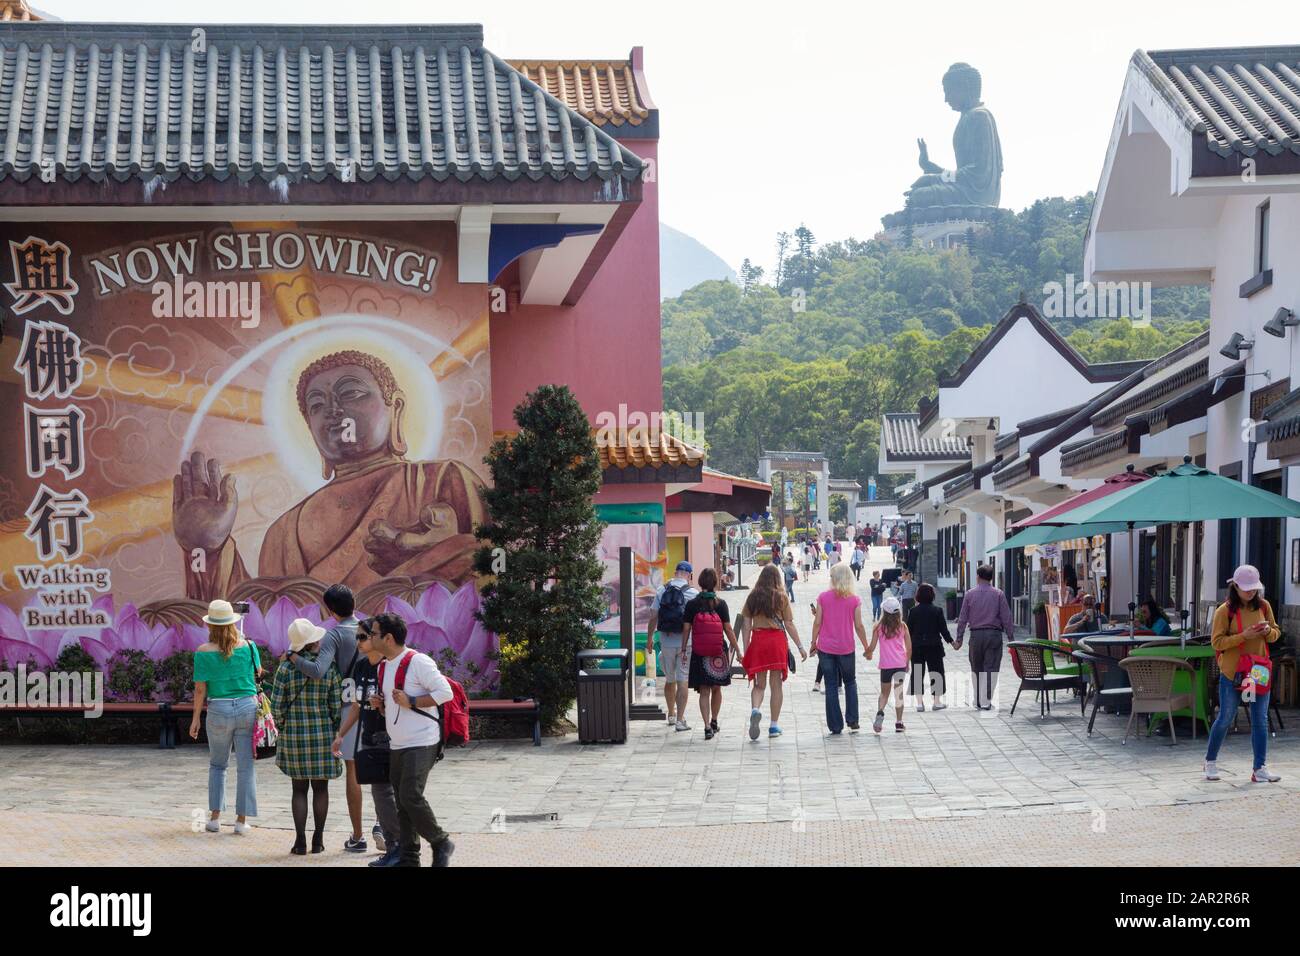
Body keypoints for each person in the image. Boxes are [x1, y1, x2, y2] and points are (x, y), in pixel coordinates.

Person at [369, 612, 457, 867]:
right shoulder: (384, 665)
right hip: (398, 742)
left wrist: (412, 701)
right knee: (402, 803)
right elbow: (395, 706)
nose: (370, 637)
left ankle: (441, 842)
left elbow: (445, 693)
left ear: (388, 637)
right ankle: (409, 858)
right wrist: (382, 705)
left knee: (410, 796)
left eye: (373, 633)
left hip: (422, 740)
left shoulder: (418, 661)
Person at [286, 583, 366, 852]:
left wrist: (293, 657)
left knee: (353, 769)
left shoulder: (334, 635)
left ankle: (358, 835)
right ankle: (384, 825)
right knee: (383, 769)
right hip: (378, 704)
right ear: (354, 602)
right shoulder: (370, 628)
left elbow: (319, 670)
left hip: (348, 705)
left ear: (331, 611)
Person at [332, 619, 403, 867]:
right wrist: (341, 734)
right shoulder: (361, 667)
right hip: (369, 739)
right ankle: (395, 847)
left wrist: (382, 707)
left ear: (376, 639)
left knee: (386, 794)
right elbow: (356, 706)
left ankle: (399, 847)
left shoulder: (389, 667)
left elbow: (400, 705)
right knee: (381, 794)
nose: (359, 642)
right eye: (358, 638)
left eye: (363, 637)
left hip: (392, 739)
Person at [271, 618, 343, 855]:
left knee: (298, 790)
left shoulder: (285, 669)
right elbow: (336, 706)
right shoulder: (329, 669)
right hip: (323, 735)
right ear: (313, 642)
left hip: (294, 735)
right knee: (321, 789)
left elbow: (277, 707)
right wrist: (335, 730)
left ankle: (300, 841)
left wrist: (284, 726)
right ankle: (318, 839)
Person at [1204, 566, 1282, 784]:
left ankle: (1260, 768)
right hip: (1233, 672)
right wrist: (1242, 636)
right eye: (1246, 589)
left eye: (1253, 589)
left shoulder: (1264, 606)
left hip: (1257, 672)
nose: (1250, 593)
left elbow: (1276, 633)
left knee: (1260, 720)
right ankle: (1210, 761)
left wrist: (1268, 632)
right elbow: (1217, 642)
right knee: (1226, 717)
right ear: (1235, 587)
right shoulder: (1224, 611)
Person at [190, 599, 260, 835]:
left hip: (218, 710)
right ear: (233, 622)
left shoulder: (202, 653)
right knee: (245, 766)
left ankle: (215, 818)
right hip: (247, 708)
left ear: (210, 625)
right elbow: (257, 674)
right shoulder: (249, 647)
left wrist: (195, 718)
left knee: (218, 764)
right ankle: (241, 822)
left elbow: (200, 689)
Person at [738, 563, 807, 739]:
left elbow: (746, 625)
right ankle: (774, 726)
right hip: (776, 642)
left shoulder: (752, 597)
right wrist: (800, 647)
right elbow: (789, 624)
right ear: (778, 578)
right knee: (776, 685)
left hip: (759, 641)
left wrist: (747, 650)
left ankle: (755, 709)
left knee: (759, 684)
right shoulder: (782, 597)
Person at [811, 564, 871, 734]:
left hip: (826, 648)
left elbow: (817, 622)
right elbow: (858, 626)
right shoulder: (854, 600)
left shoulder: (823, 597)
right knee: (850, 683)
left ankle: (835, 726)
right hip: (846, 648)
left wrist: (813, 642)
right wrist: (867, 646)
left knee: (830, 685)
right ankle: (852, 720)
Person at [683, 569, 741, 740]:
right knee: (716, 688)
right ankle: (715, 720)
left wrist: (682, 649)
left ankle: (707, 726)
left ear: (700, 582)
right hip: (717, 651)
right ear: (716, 582)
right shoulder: (720, 604)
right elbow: (728, 629)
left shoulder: (692, 604)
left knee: (704, 691)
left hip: (700, 651)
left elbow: (686, 628)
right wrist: (737, 649)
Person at [646, 561, 699, 731]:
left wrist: (649, 639)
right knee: (683, 679)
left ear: (675, 573)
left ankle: (671, 714)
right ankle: (680, 720)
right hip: (686, 643)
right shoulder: (693, 593)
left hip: (666, 641)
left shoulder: (662, 590)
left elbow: (653, 616)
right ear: (689, 576)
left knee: (670, 679)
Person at [954, 565, 1014, 710]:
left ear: (978, 577)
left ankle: (978, 699)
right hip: (993, 635)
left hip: (975, 635)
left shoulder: (969, 594)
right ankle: (986, 700)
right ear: (991, 578)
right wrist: (1011, 637)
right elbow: (1006, 617)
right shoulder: (998, 594)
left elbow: (962, 617)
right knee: (991, 667)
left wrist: (959, 637)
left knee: (976, 667)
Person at [906, 584, 953, 711]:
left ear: (918, 595)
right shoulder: (937, 610)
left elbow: (908, 631)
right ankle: (936, 702)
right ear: (932, 595)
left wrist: (906, 647)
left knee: (917, 673)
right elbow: (943, 630)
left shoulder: (913, 611)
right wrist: (952, 642)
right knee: (936, 672)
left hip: (917, 646)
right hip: (934, 646)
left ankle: (920, 704)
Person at [868, 596, 912, 733]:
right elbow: (909, 647)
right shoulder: (903, 626)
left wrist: (867, 653)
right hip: (899, 663)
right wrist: (907, 662)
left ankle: (880, 711)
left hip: (886, 665)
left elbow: (872, 647)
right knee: (898, 693)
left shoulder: (878, 627)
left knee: (884, 693)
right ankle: (899, 723)